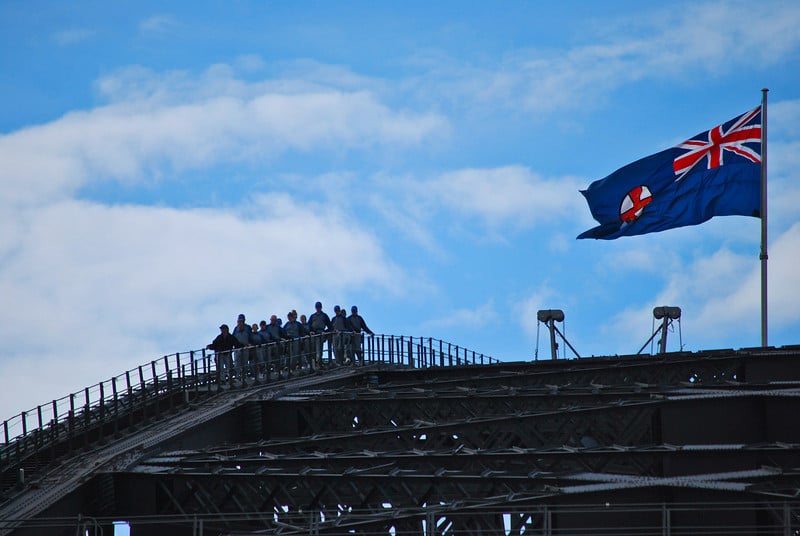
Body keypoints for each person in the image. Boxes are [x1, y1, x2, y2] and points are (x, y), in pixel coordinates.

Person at [307, 301, 332, 366]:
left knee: (319, 349)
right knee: (313, 349)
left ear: (321, 307)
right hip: (314, 334)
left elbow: (330, 326)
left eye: (319, 307)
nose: (318, 308)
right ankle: (314, 363)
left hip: (321, 334)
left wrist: (325, 332)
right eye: (317, 307)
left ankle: (319, 362)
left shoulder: (324, 315)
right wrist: (310, 331)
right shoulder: (312, 316)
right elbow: (309, 325)